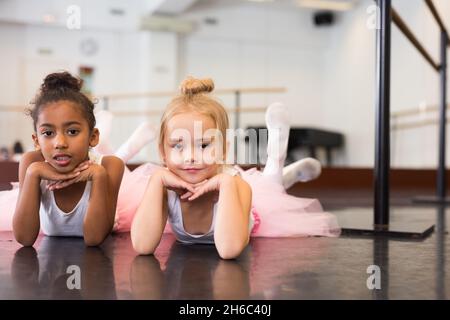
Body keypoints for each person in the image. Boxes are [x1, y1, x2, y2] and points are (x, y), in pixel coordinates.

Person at [129, 76, 340, 260]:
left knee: (270, 186)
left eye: (204, 145)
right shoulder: (162, 188)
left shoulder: (236, 185)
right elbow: (142, 246)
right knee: (271, 185)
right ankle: (284, 173)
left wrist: (226, 182)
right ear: (162, 152)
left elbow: (229, 250)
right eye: (178, 145)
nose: (191, 157)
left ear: (223, 150)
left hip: (248, 209)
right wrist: (157, 180)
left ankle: (277, 157)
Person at [12, 71, 124, 247]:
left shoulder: (110, 166)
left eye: (72, 131)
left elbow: (94, 239)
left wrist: (99, 175)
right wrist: (34, 173)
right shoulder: (31, 163)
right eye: (48, 133)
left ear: (93, 137)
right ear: (36, 141)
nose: (60, 143)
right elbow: (24, 239)